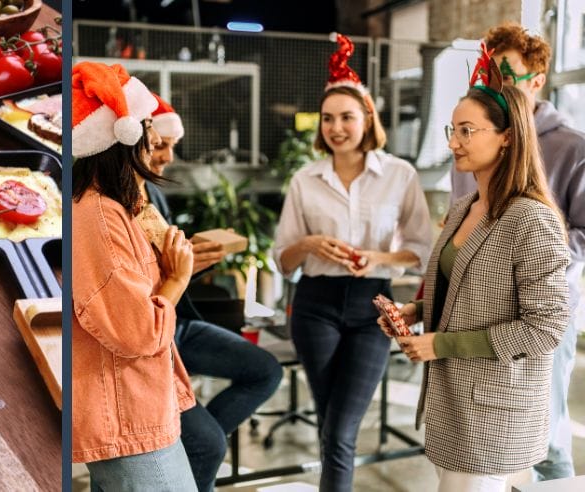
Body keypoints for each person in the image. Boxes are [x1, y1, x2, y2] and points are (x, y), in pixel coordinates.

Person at [387, 45, 570, 492]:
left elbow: (545, 328)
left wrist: (441, 344)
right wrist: (413, 312)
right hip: (452, 405)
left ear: (507, 136)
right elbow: (457, 285)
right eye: (453, 129)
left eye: (467, 130)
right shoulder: (466, 206)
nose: (453, 142)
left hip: (493, 415)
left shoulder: (531, 219)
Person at [272, 33, 432, 492]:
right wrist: (311, 244)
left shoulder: (400, 175)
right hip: (314, 305)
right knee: (330, 425)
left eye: (346, 117)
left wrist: (378, 258)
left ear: (368, 119)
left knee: (340, 431)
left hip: (373, 309)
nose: (336, 127)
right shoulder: (305, 179)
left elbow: (422, 250)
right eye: (327, 119)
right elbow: (282, 258)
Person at [449, 22, 585, 482]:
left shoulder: (570, 147)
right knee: (481, 433)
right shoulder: (472, 142)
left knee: (545, 435)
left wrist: (524, 249)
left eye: (508, 77)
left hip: (539, 311)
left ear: (538, 80)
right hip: (472, 310)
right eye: (490, 79)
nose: (498, 89)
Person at [143, 95, 283, 491]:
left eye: (172, 146)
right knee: (207, 445)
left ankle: (178, 456)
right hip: (149, 329)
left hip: (178, 323)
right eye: (159, 146)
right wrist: (178, 270)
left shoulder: (153, 193)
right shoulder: (110, 202)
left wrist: (191, 260)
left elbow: (161, 262)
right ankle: (186, 453)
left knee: (265, 371)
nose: (168, 157)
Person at [70, 61, 197, 491]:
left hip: (133, 410)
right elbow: (139, 332)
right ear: (122, 136)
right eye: (147, 127)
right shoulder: (100, 217)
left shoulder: (112, 206)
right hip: (127, 416)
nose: (156, 137)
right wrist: (177, 279)